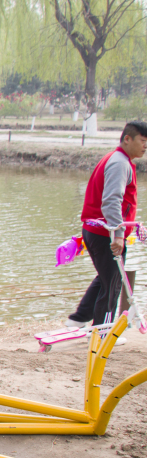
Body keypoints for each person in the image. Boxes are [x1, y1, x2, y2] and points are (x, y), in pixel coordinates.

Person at [68, 121, 147, 326]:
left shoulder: (117, 159)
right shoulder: (120, 163)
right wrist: (118, 234)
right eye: (143, 141)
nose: (145, 146)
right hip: (106, 234)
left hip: (96, 231)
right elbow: (112, 200)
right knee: (112, 284)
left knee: (106, 278)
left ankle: (78, 320)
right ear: (127, 139)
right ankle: (101, 332)